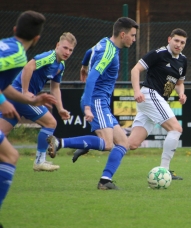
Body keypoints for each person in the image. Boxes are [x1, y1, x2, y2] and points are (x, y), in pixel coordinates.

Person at [46, 17, 138, 190]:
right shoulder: (109, 52)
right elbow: (92, 79)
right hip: (97, 102)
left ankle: (105, 180)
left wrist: (83, 66)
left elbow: (89, 51)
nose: (134, 39)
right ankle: (59, 142)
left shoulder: (104, 42)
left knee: (124, 143)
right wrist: (88, 106)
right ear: (123, 34)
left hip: (100, 102)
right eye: (132, 36)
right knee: (107, 143)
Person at [0, 10, 56, 212]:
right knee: (9, 157)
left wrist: (30, 98)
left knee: (8, 155)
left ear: (15, 29)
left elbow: (5, 87)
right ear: (37, 38)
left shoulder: (6, 44)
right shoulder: (17, 55)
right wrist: (2, 101)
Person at [0, 32, 77, 172]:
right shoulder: (49, 57)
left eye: (71, 50)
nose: (67, 52)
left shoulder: (61, 66)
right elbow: (29, 66)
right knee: (50, 122)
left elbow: (55, 87)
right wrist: (25, 92)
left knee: (2, 132)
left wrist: (60, 108)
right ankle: (39, 161)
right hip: (19, 96)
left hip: (15, 96)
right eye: (65, 48)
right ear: (57, 45)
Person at [129, 28, 188, 180]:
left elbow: (179, 83)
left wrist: (181, 93)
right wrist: (136, 91)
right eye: (176, 40)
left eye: (182, 42)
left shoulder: (183, 60)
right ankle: (165, 170)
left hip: (154, 102)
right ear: (169, 39)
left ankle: (94, 144)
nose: (179, 45)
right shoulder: (158, 54)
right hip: (149, 95)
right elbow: (135, 70)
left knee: (132, 144)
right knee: (176, 129)